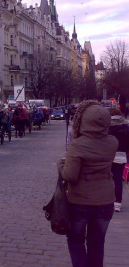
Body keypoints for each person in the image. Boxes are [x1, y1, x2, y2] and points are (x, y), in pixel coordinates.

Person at [57, 100, 118, 267]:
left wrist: (60, 166)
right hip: (105, 200)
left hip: (80, 201)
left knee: (76, 241)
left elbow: (70, 175)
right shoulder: (112, 142)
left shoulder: (78, 145)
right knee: (97, 244)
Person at [107, 107, 129, 212]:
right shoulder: (126, 126)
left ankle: (107, 201)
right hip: (121, 155)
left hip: (107, 155)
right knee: (118, 180)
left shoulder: (106, 126)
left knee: (107, 179)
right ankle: (118, 203)